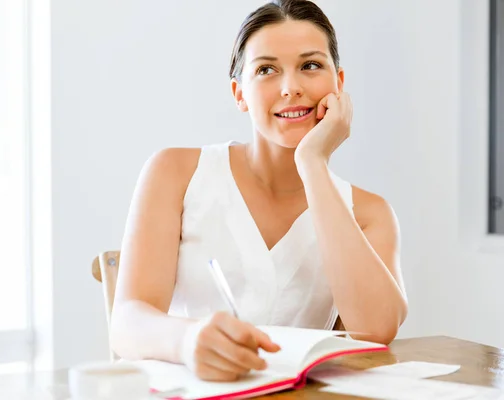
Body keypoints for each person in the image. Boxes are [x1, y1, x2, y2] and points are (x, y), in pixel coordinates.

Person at [109, 0, 408, 382]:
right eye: (266, 70)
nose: (291, 88)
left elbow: (376, 329)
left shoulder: (369, 213)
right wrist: (189, 341)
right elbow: (127, 321)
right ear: (239, 93)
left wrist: (313, 164)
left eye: (310, 65)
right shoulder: (175, 172)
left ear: (339, 84)